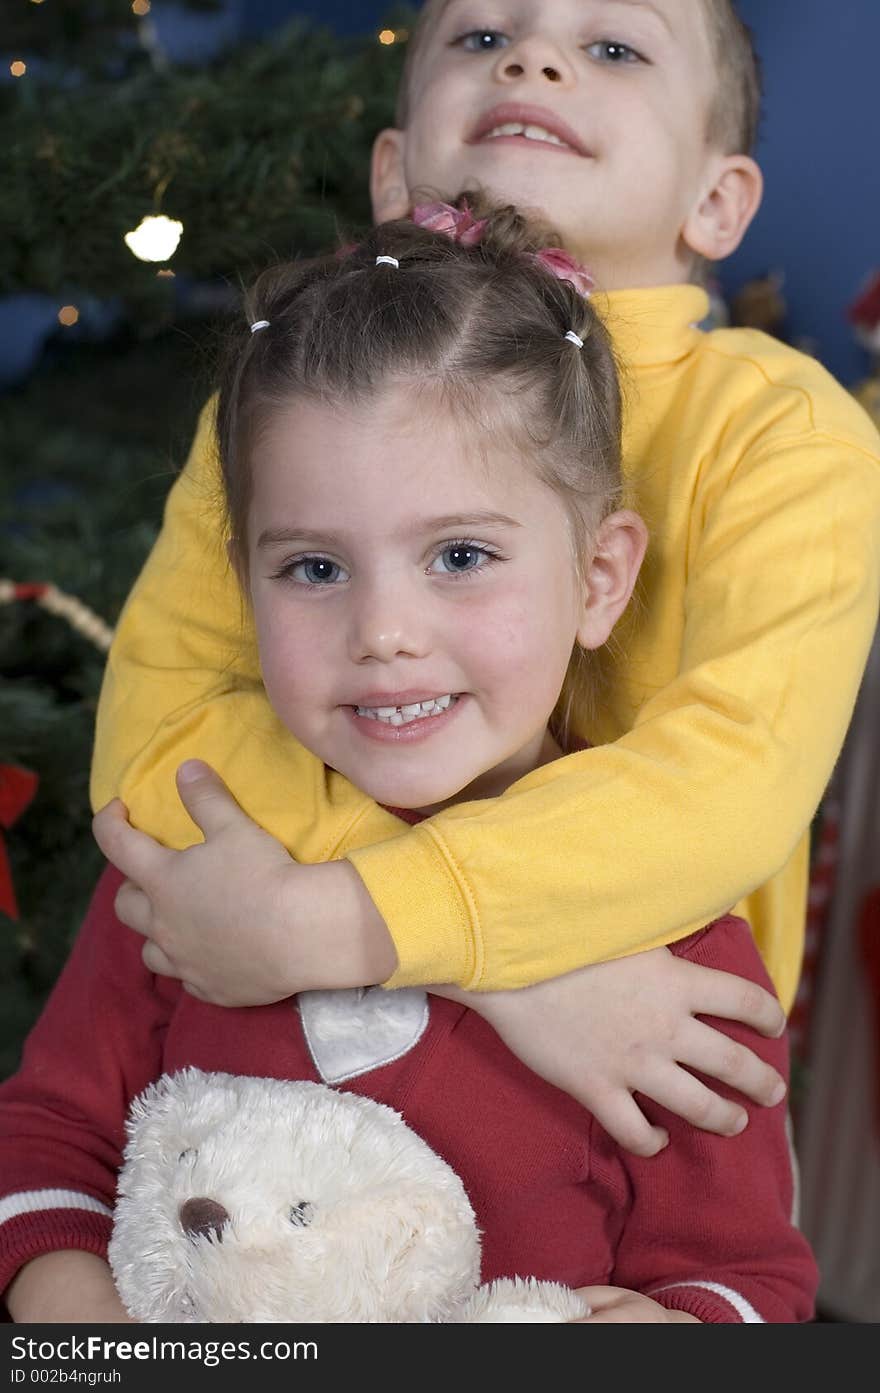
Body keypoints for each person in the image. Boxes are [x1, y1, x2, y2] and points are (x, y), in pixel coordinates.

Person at [90, 0, 880, 1157]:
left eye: (613, 47)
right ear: (395, 169)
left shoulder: (784, 435)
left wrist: (344, 915)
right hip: (295, 1079)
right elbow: (157, 748)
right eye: (477, 38)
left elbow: (729, 779)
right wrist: (496, 972)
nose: (532, 55)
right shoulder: (289, 396)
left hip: (640, 1097)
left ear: (716, 201)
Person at [1, 210, 817, 1322]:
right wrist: (81, 1331)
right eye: (315, 567)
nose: (383, 630)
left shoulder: (674, 951)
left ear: (598, 579)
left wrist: (684, 1322)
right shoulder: (200, 860)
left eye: (462, 555)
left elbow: (748, 1277)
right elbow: (47, 1139)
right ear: (242, 581)